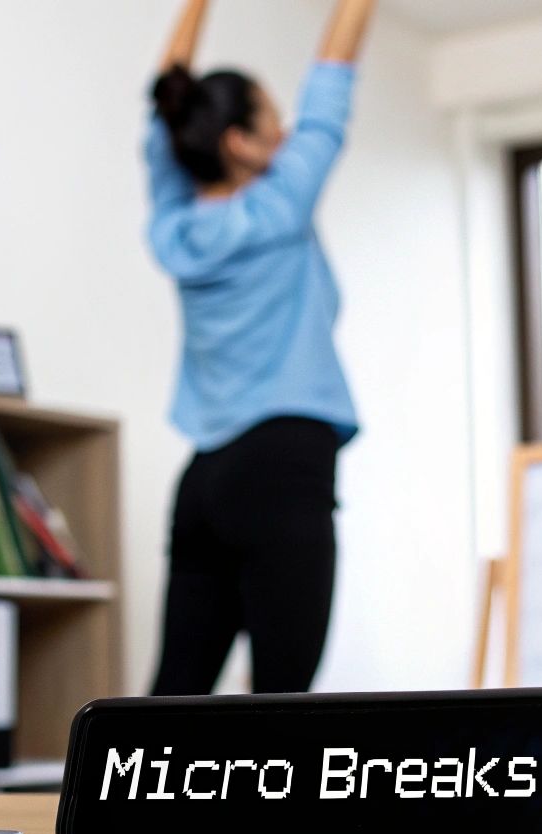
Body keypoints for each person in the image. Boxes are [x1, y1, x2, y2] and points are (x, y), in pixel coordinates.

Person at [144, 0, 379, 696]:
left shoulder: (175, 225)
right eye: (273, 122)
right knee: (282, 704)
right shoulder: (279, 208)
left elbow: (165, 110)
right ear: (240, 144)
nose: (287, 132)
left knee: (170, 704)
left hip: (205, 479)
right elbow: (331, 81)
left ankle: (126, 812)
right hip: (284, 465)